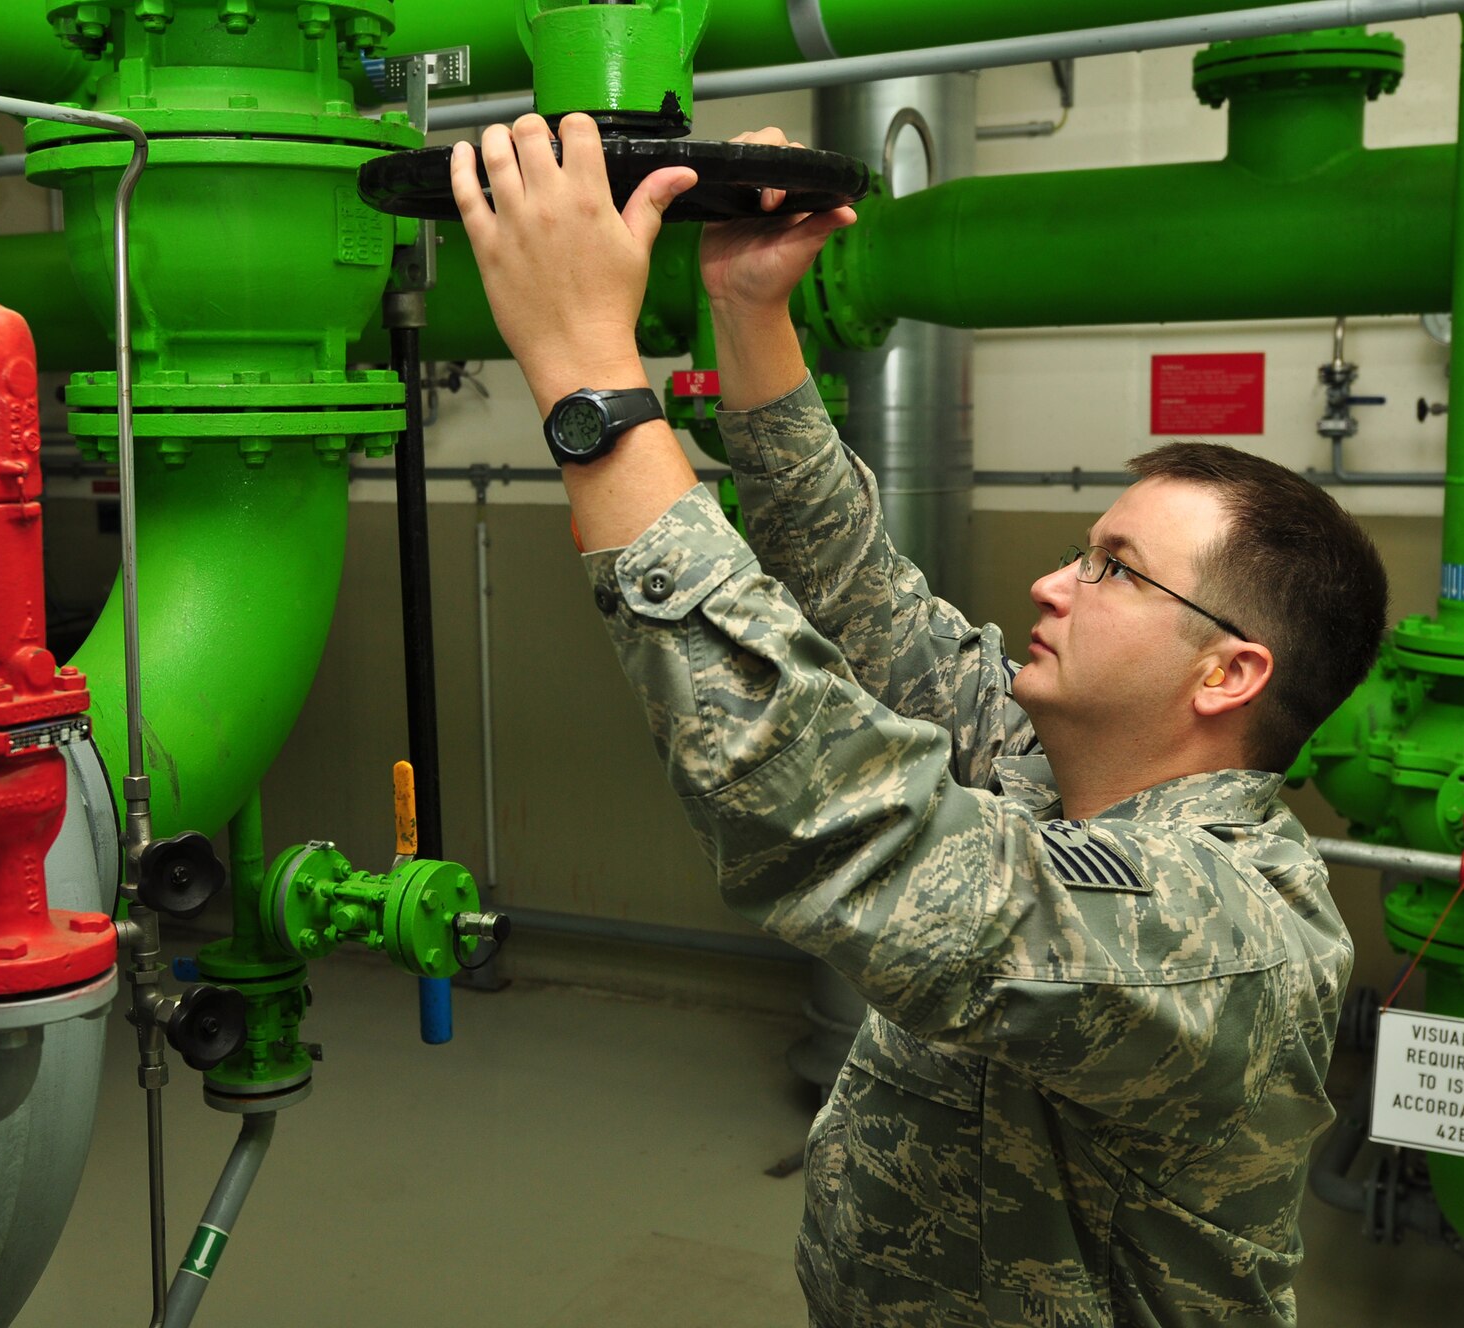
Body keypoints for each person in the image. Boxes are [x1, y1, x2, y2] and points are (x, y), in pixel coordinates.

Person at [448, 113, 1389, 1328]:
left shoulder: (1224, 931)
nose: (1052, 583)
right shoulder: (1055, 777)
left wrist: (588, 377)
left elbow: (835, 816)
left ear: (1227, 674)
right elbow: (860, 597)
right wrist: (747, 309)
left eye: (1111, 568)